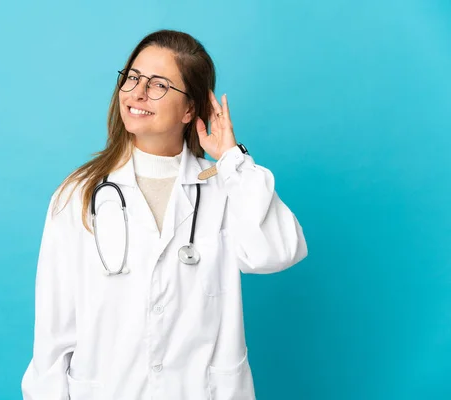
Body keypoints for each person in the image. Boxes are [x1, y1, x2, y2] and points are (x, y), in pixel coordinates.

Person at [21, 29, 308, 400]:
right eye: (133, 78)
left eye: (159, 85)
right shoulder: (79, 194)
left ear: (191, 109)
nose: (137, 93)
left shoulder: (224, 187)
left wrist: (232, 159)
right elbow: (53, 333)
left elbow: (277, 252)